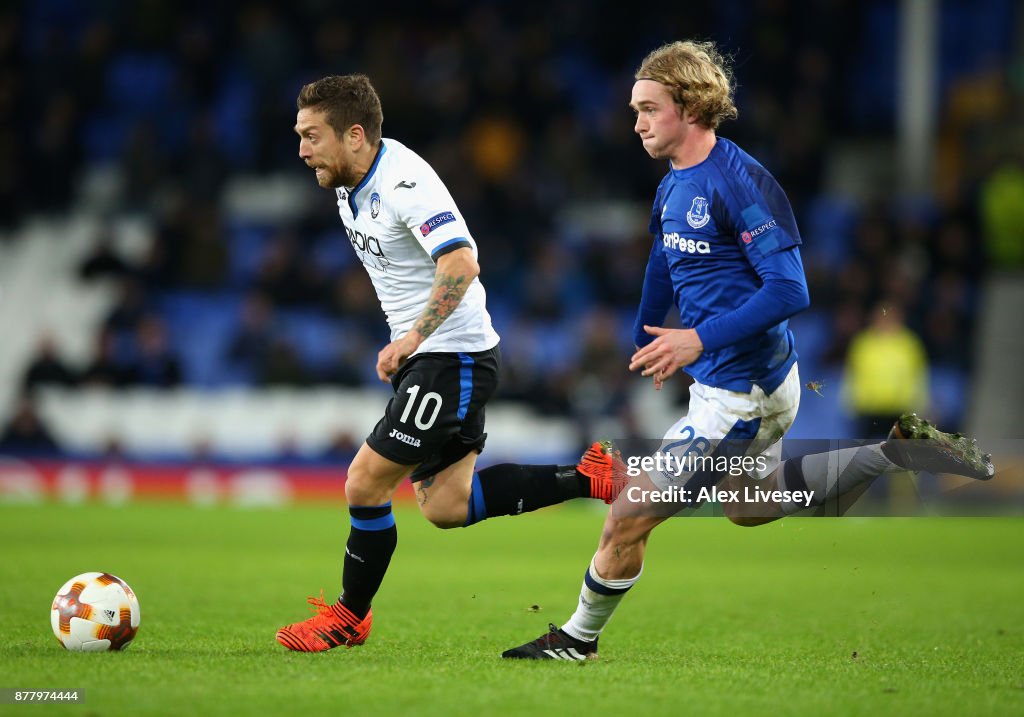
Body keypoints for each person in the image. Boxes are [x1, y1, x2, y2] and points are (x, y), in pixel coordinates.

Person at [502, 40, 995, 661]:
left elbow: (792, 289)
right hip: (736, 384)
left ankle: (576, 640)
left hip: (744, 394)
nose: (637, 124)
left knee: (628, 513)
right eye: (634, 111)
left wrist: (695, 338)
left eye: (649, 109)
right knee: (747, 507)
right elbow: (663, 257)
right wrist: (645, 339)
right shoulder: (672, 184)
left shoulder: (741, 181)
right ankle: (891, 452)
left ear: (687, 106)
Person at [275, 74, 625, 653]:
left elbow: (462, 263)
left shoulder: (405, 183)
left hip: (449, 356)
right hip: (442, 356)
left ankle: (348, 618)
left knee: (364, 482)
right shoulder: (346, 183)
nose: (302, 149)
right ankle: (588, 477)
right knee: (446, 506)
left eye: (312, 136)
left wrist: (410, 337)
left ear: (354, 135)